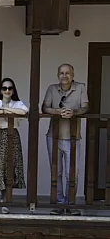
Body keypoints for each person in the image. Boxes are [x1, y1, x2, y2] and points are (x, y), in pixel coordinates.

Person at [42, 63, 89, 216]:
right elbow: (44, 108)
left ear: (72, 75)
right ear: (58, 75)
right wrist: (57, 112)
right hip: (53, 137)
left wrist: (74, 112)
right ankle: (59, 204)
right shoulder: (52, 88)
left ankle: (71, 204)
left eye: (67, 73)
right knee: (56, 173)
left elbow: (86, 107)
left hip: (72, 138)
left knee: (72, 173)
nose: (64, 76)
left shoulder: (80, 87)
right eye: (61, 73)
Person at [0, 78, 28, 214]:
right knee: (0, 165)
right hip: (0, 136)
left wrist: (5, 109)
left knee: (12, 166)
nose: (7, 91)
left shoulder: (17, 103)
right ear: (1, 90)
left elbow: (24, 111)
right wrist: (4, 111)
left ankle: (7, 198)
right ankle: (2, 199)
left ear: (13, 90)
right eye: (4, 88)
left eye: (10, 88)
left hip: (13, 136)